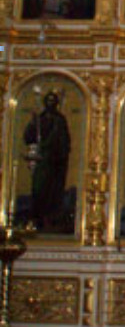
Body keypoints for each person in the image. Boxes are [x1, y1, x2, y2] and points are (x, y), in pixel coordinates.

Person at [23, 91, 71, 232]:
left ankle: (51, 219)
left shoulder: (60, 120)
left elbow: (64, 141)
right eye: (48, 100)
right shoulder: (39, 119)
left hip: (56, 163)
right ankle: (37, 219)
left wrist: (58, 152)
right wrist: (33, 123)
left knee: (53, 191)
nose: (51, 103)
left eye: (53, 101)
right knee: (39, 189)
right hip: (42, 160)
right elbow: (28, 137)